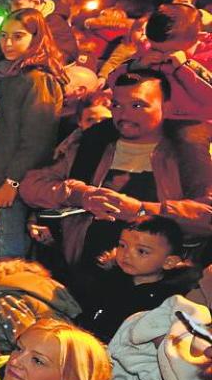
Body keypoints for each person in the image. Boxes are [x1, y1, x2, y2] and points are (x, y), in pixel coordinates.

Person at [21, 70, 212, 294]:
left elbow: (206, 215)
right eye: (117, 105)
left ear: (166, 107)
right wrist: (80, 195)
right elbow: (31, 186)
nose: (124, 114)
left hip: (155, 289)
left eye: (137, 105)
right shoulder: (92, 144)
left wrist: (141, 211)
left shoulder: (187, 153)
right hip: (83, 277)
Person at [0, 8, 66, 259]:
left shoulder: (39, 79)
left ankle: (10, 290)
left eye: (18, 36)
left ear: (36, 37)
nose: (8, 43)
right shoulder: (0, 73)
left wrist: (13, 181)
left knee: (10, 243)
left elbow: (38, 139)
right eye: (3, 35)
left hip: (17, 176)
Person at [80, 217, 196, 344]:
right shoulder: (109, 278)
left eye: (141, 251)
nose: (126, 254)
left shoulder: (167, 300)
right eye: (122, 245)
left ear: (168, 262)